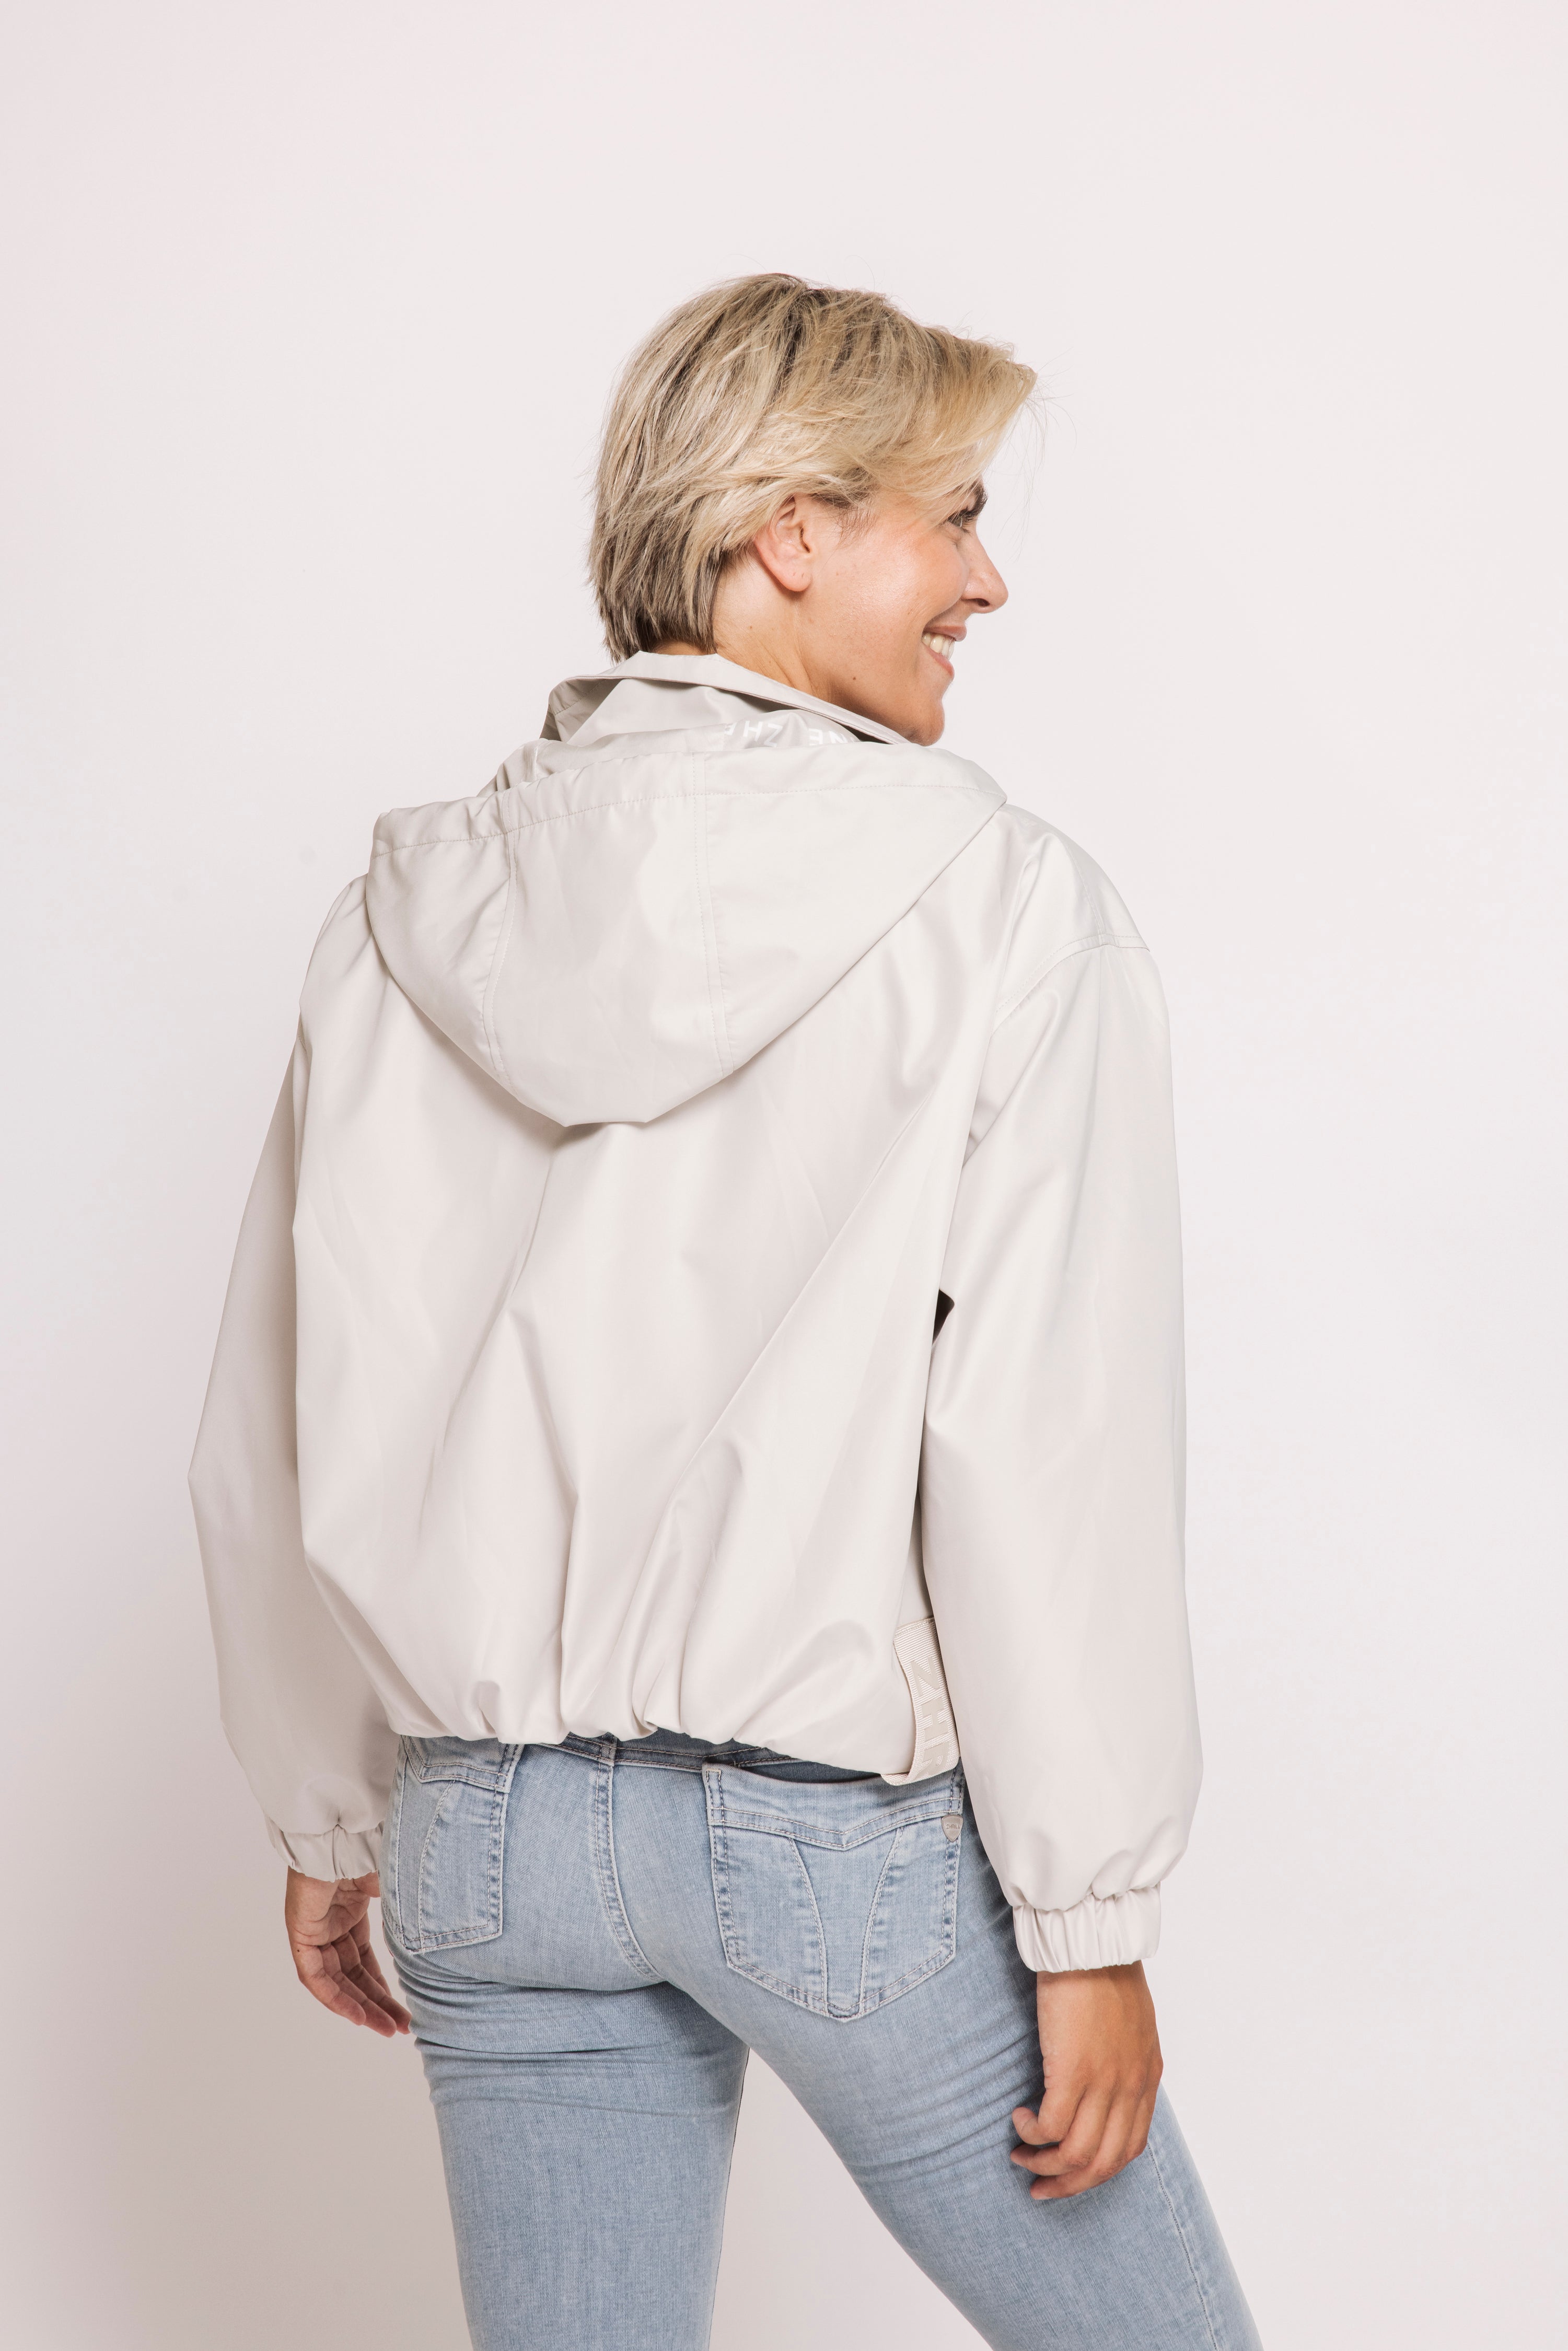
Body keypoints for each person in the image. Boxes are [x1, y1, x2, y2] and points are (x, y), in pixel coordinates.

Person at [191, 273, 1262, 2351]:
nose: (988, 582)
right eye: (954, 517)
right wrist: (1089, 1915)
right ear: (790, 531)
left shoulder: (396, 920)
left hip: (483, 1838)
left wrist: (329, 1807)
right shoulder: (1002, 906)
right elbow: (1040, 1445)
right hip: (827, 1849)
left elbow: (275, 1410)